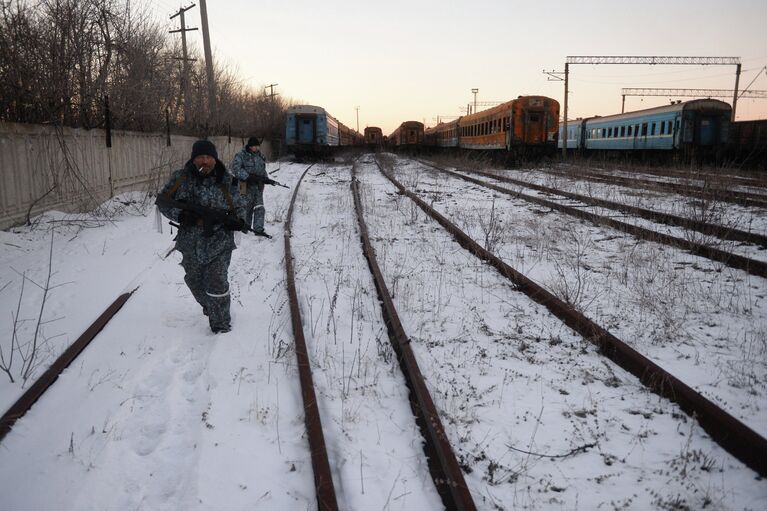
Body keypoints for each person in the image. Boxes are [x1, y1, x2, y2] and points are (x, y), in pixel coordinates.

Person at [156, 139, 246, 334]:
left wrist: (237, 220)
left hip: (219, 240)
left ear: (214, 159)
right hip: (190, 241)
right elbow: (162, 202)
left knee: (217, 281)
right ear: (194, 158)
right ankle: (211, 306)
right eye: (200, 157)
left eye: (208, 157)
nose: (204, 161)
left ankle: (221, 324)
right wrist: (180, 215)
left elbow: (240, 206)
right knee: (194, 281)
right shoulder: (180, 178)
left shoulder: (227, 180)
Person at [230, 136, 269, 235]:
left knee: (259, 207)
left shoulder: (261, 156)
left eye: (258, 146)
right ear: (250, 146)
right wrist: (247, 176)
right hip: (244, 185)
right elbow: (235, 169)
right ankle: (244, 227)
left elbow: (263, 170)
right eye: (255, 146)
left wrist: (266, 179)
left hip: (258, 186)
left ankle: (258, 229)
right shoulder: (241, 156)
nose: (257, 148)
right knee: (245, 207)